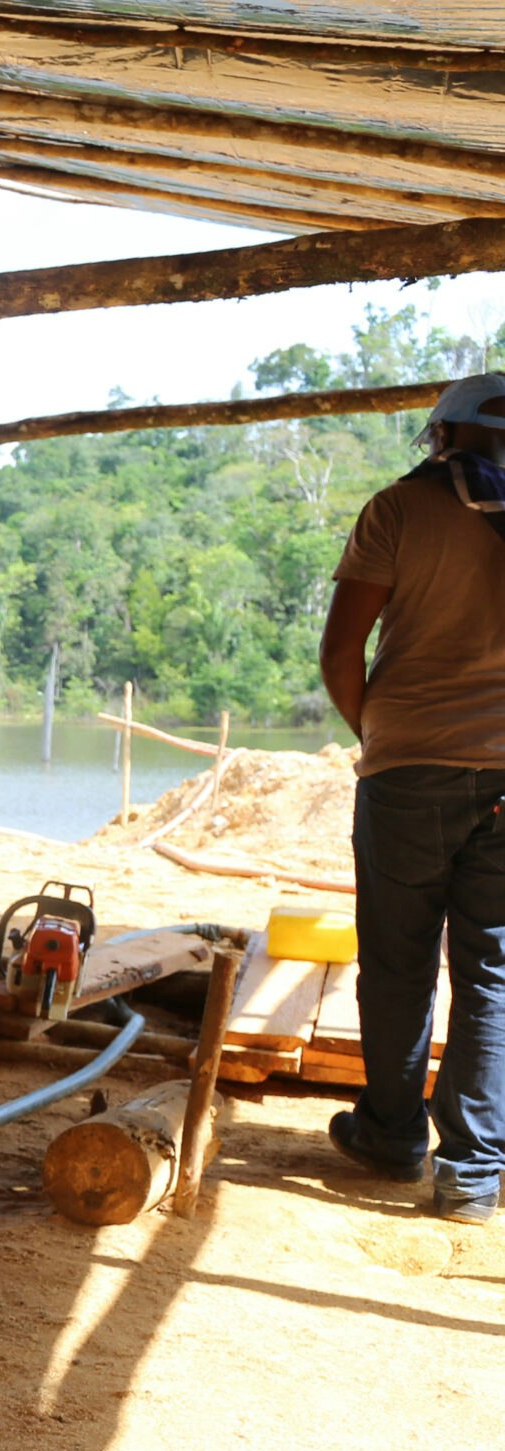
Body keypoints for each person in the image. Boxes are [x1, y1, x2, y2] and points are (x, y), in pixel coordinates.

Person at [317, 372, 505, 1224]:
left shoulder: (397, 509)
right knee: (492, 973)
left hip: (409, 769)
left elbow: (341, 649)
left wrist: (378, 733)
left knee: (398, 963)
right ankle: (472, 1174)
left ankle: (393, 1136)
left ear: (443, 433)